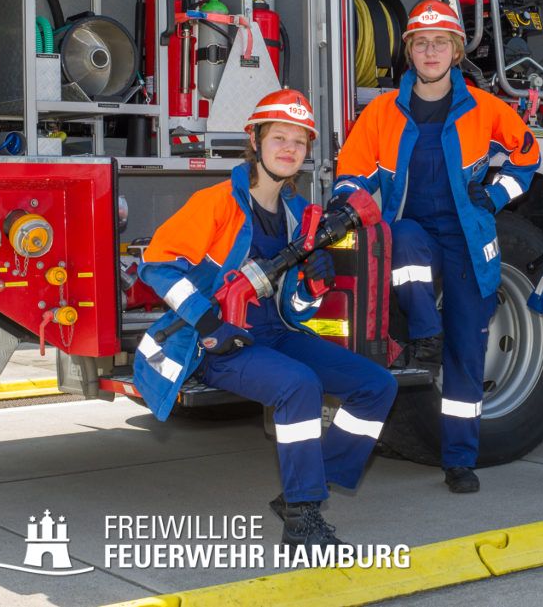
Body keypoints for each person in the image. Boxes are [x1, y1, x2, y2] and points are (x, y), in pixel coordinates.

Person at [133, 89, 397, 548]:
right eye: (279, 137)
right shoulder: (218, 203)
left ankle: (311, 478)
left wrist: (314, 284)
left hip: (275, 335)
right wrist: (208, 323)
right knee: (300, 386)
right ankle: (302, 516)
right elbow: (157, 264)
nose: (289, 148)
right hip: (219, 342)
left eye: (299, 141)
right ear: (254, 141)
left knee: (377, 386)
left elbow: (295, 309)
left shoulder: (298, 214)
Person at [332, 0, 539, 493]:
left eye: (440, 42)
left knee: (468, 346)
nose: (430, 51)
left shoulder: (485, 109)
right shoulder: (382, 112)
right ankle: (426, 332)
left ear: (455, 51)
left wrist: (494, 195)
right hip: (415, 232)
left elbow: (526, 155)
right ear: (409, 51)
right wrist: (349, 206)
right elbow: (350, 175)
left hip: (468, 240)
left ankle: (460, 460)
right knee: (400, 236)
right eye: (421, 43)